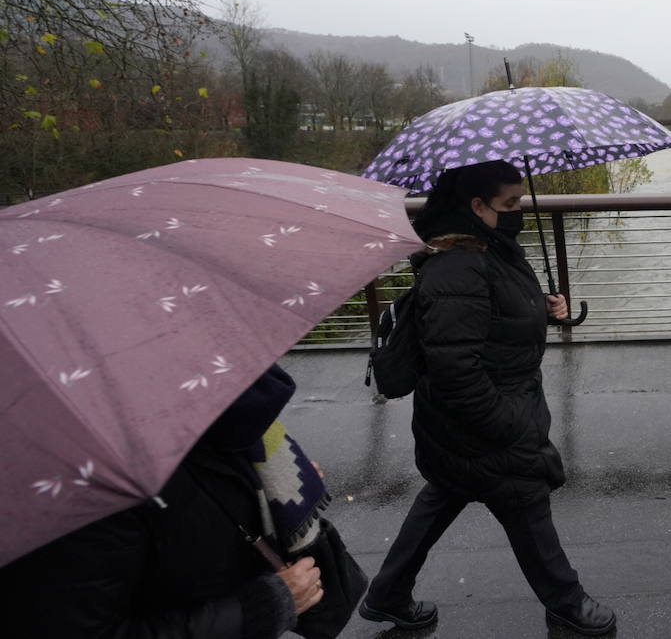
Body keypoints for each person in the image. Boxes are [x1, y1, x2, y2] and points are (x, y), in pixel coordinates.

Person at [359, 160, 615, 636]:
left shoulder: (489, 247)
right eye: (510, 204)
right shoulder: (457, 267)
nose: (518, 212)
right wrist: (509, 425)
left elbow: (492, 316)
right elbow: (457, 370)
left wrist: (545, 309)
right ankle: (566, 601)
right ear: (477, 206)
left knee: (445, 493)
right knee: (524, 498)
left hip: (465, 419)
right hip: (482, 418)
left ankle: (387, 593)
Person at [0, 364, 366, 638]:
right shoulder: (74, 478)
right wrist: (259, 610)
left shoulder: (205, 405)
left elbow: (203, 498)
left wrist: (269, 491)